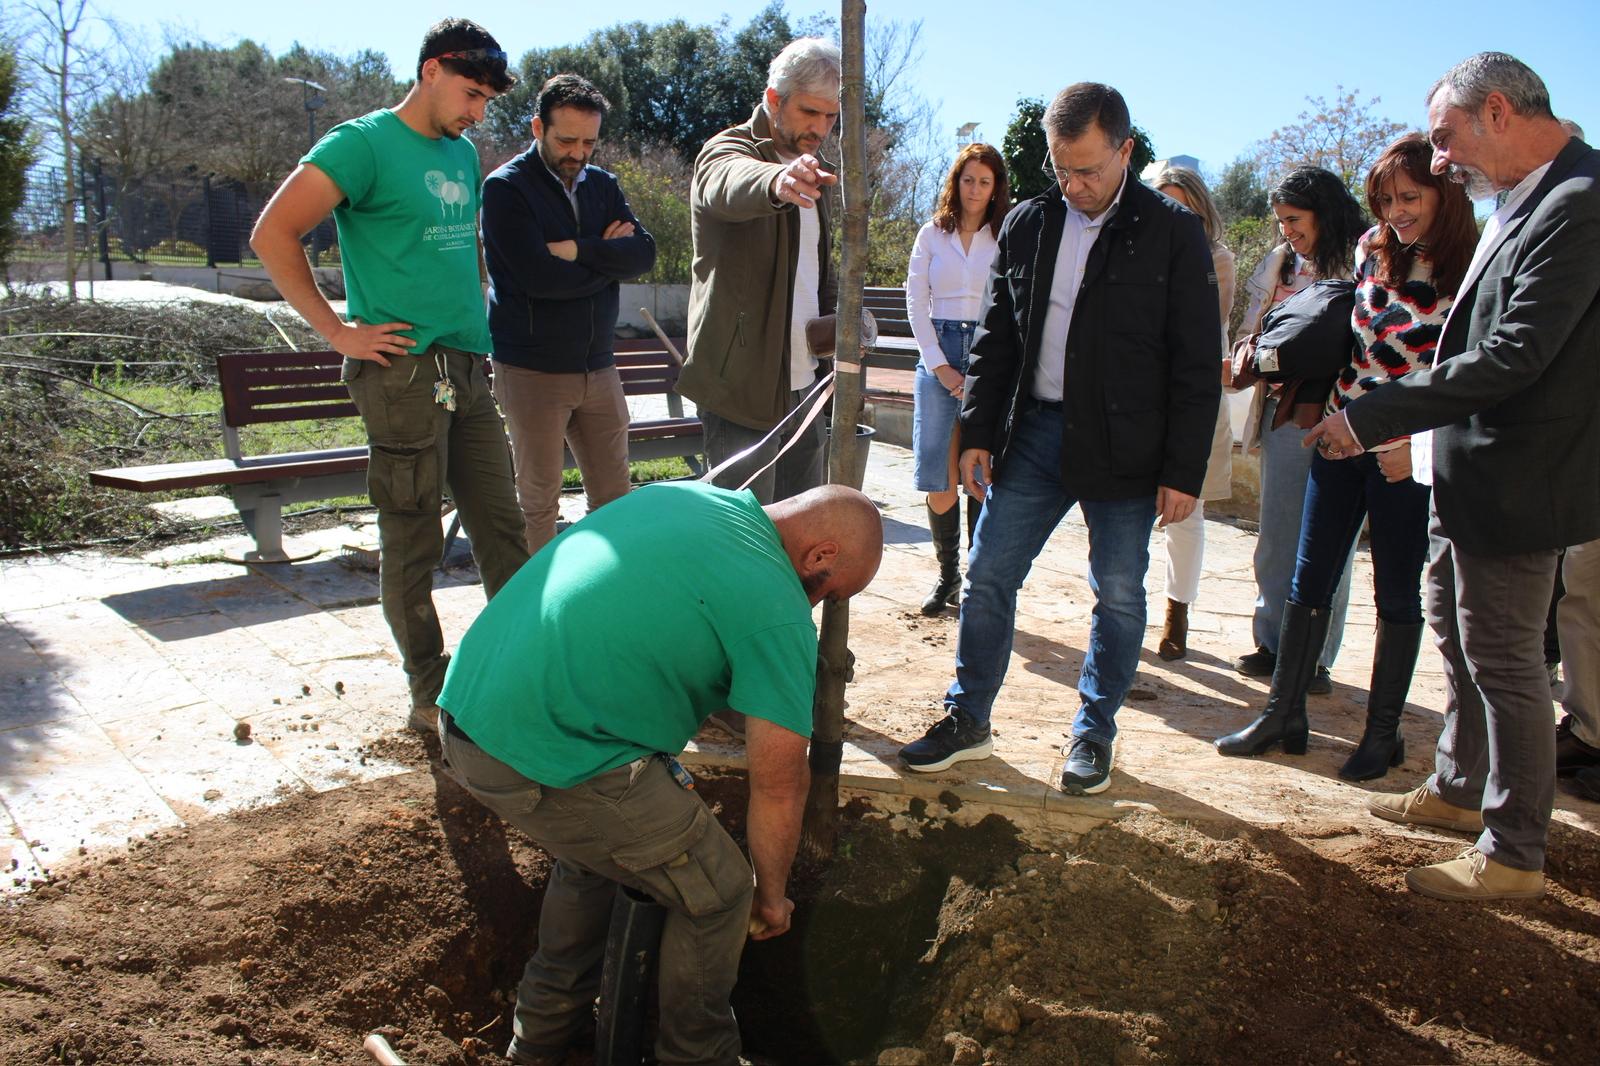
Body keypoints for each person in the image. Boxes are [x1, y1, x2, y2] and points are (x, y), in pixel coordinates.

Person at [434, 481, 883, 1065]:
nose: (817, 606)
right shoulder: (774, 602)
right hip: (549, 748)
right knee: (721, 892)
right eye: (830, 591)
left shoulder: (684, 497)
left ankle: (539, 1042)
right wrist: (769, 896)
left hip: (470, 711)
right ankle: (697, 1056)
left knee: (594, 858)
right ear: (820, 555)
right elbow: (778, 783)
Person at [1308, 52, 1600, 901]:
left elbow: (1514, 355)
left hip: (1522, 480)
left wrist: (1369, 416)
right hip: (1464, 468)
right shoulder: (1521, 197)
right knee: (1454, 631)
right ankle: (1460, 786)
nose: (1437, 162)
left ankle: (1513, 852)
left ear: (1498, 113)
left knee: (1507, 661)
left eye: (1445, 140)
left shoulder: (1580, 203)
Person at [897, 83, 1220, 795]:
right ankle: (968, 718)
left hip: (1129, 447)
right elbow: (998, 342)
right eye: (1060, 169)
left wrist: (1184, 470)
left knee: (1121, 593)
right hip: (1037, 433)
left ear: (1127, 152)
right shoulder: (1029, 224)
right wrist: (978, 432)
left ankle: (1093, 733)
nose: (1074, 186)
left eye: (1090, 171)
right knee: (987, 577)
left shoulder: (1173, 232)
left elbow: (1198, 365)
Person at [250, 19, 528, 731]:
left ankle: (526, 673)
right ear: (431, 70)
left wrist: (480, 320)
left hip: (467, 369)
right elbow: (272, 233)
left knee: (504, 528)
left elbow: (462, 250)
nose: (476, 113)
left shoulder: (462, 155)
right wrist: (338, 330)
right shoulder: (361, 144)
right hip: (401, 374)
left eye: (486, 102)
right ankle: (428, 695)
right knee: (413, 540)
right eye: (470, 94)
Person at [1216, 134, 1477, 781]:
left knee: (1396, 592)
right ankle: (1284, 714)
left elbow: (1467, 375)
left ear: (1444, 193)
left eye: (1410, 197)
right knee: (1309, 582)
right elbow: (1353, 348)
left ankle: (1382, 734)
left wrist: (1417, 449)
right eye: (1385, 199)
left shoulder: (1469, 266)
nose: (1397, 211)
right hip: (1342, 437)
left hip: (1405, 456)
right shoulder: (1369, 251)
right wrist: (1334, 418)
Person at [482, 74, 657, 554]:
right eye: (566, 140)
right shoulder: (505, 190)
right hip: (531, 369)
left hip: (598, 366)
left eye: (589, 142)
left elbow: (643, 255)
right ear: (538, 126)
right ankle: (536, 614)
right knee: (538, 503)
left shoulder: (603, 185)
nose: (578, 153)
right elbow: (538, 278)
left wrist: (577, 250)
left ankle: (599, 600)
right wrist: (606, 257)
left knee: (616, 499)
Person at [676, 37, 840, 505]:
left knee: (802, 541)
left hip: (805, 385)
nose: (822, 127)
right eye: (811, 112)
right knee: (744, 540)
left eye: (830, 116)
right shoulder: (726, 150)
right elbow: (726, 182)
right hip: (740, 389)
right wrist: (777, 180)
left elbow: (815, 271)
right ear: (774, 99)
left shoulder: (817, 170)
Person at [1229, 168, 1366, 695]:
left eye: (1294, 219)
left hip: (1341, 417)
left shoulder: (1368, 263)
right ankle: (1272, 645)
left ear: (1323, 213)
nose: (1287, 230)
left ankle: (1313, 658)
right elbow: (1253, 330)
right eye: (1281, 221)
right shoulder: (1282, 263)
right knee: (1279, 532)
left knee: (1332, 541)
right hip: (1281, 414)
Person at [906, 143, 1010, 615]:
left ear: (995, 188)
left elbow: (1009, 303)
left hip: (988, 352)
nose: (975, 189)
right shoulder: (932, 233)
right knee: (938, 471)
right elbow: (915, 302)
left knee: (979, 468)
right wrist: (939, 365)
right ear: (957, 181)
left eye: (985, 181)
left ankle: (975, 578)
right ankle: (946, 576)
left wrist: (985, 369)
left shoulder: (1004, 233)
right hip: (939, 350)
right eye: (969, 179)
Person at [1149, 166, 1236, 660]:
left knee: (1187, 512)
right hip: (1138, 404)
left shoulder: (1216, 260)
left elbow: (1199, 328)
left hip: (1191, 400)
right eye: (1166, 204)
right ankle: (1118, 609)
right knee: (1123, 514)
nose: (1175, 215)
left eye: (1184, 205)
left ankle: (1177, 612)